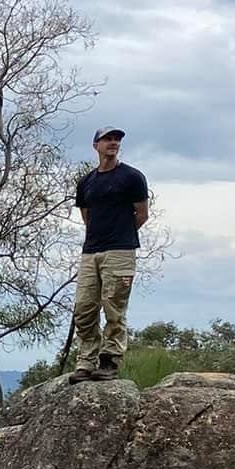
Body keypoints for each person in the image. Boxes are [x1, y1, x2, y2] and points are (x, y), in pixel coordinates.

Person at [68, 126, 149, 382]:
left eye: (116, 140)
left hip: (120, 251)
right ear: (96, 145)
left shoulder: (132, 177)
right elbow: (86, 216)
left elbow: (142, 214)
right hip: (91, 251)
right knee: (83, 307)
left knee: (113, 307)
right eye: (108, 139)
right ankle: (86, 361)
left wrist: (121, 234)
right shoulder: (87, 182)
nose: (113, 143)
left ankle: (109, 360)